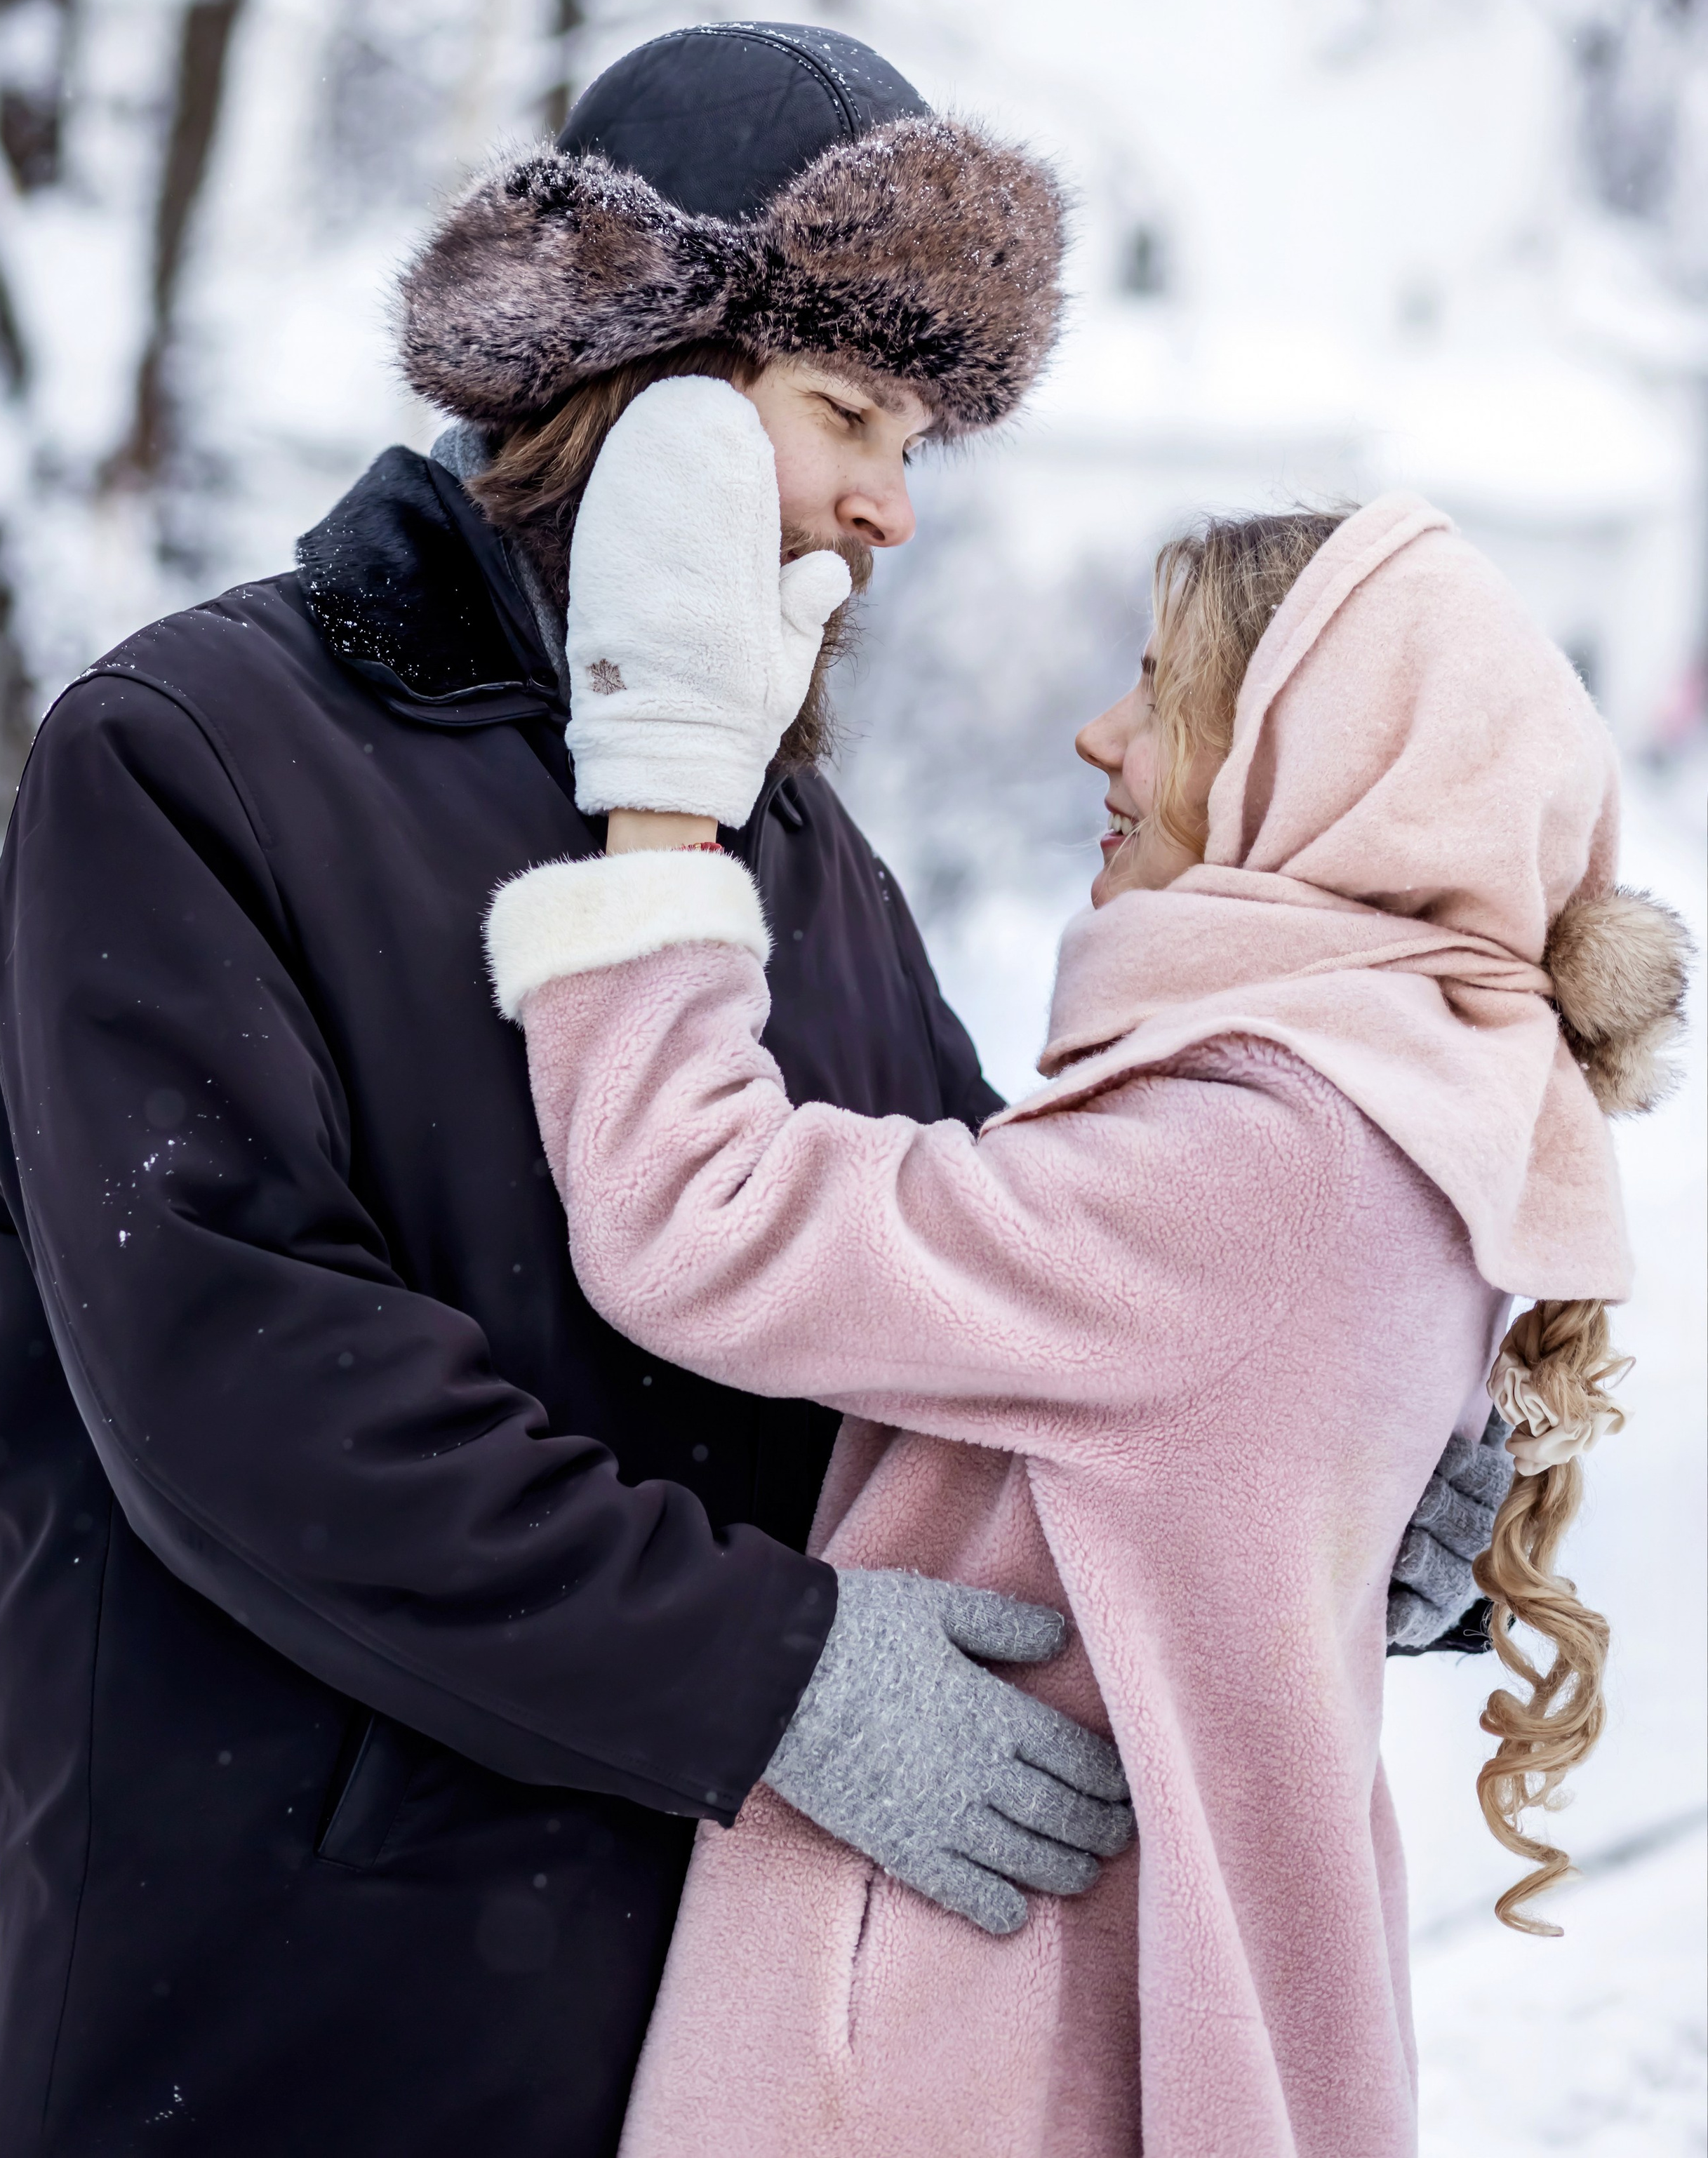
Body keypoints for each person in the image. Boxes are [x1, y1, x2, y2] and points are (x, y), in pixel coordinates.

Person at [0, 22, 1498, 2157]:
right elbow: (249, 1394)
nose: (888, 501)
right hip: (308, 2003)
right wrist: (765, 1672)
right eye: (848, 411)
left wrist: (1316, 1454)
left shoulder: (788, 848)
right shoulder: (197, 753)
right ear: (628, 382)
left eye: (925, 440)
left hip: (692, 2020)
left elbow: (981, 1313)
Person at [488, 395, 1692, 2158]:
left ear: (1310, 759)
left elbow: (701, 1218)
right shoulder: (1411, 1122)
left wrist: (660, 823)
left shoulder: (1257, 1161)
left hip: (954, 2054)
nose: (1094, 734)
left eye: (1157, 688)